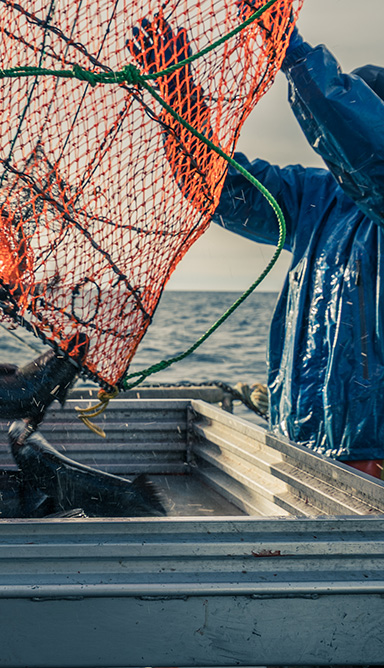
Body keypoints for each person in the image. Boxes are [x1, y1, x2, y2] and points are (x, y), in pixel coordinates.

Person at [131, 12, 384, 477]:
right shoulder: (318, 197)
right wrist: (179, 95)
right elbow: (217, 188)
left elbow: (367, 149)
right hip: (300, 443)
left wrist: (292, 53)